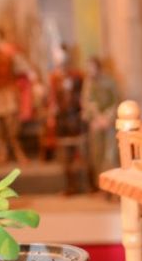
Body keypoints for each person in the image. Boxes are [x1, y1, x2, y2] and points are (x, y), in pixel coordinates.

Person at [48, 45, 85, 195]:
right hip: (62, 120)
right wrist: (51, 114)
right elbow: (53, 98)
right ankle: (70, 186)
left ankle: (86, 186)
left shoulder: (77, 76)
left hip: (75, 118)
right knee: (65, 156)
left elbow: (82, 96)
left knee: (81, 153)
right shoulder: (54, 77)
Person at [82, 56, 120, 191]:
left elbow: (116, 101)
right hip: (95, 123)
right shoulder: (88, 83)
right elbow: (86, 102)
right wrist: (95, 118)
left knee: (110, 154)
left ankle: (113, 187)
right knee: (97, 154)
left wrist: (107, 118)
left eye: (92, 67)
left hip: (109, 123)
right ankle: (101, 187)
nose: (90, 70)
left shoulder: (109, 81)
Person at [0, 27, 28, 164]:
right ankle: (2, 153)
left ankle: (17, 151)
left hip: (7, 91)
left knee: (12, 124)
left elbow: (22, 67)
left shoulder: (9, 51)